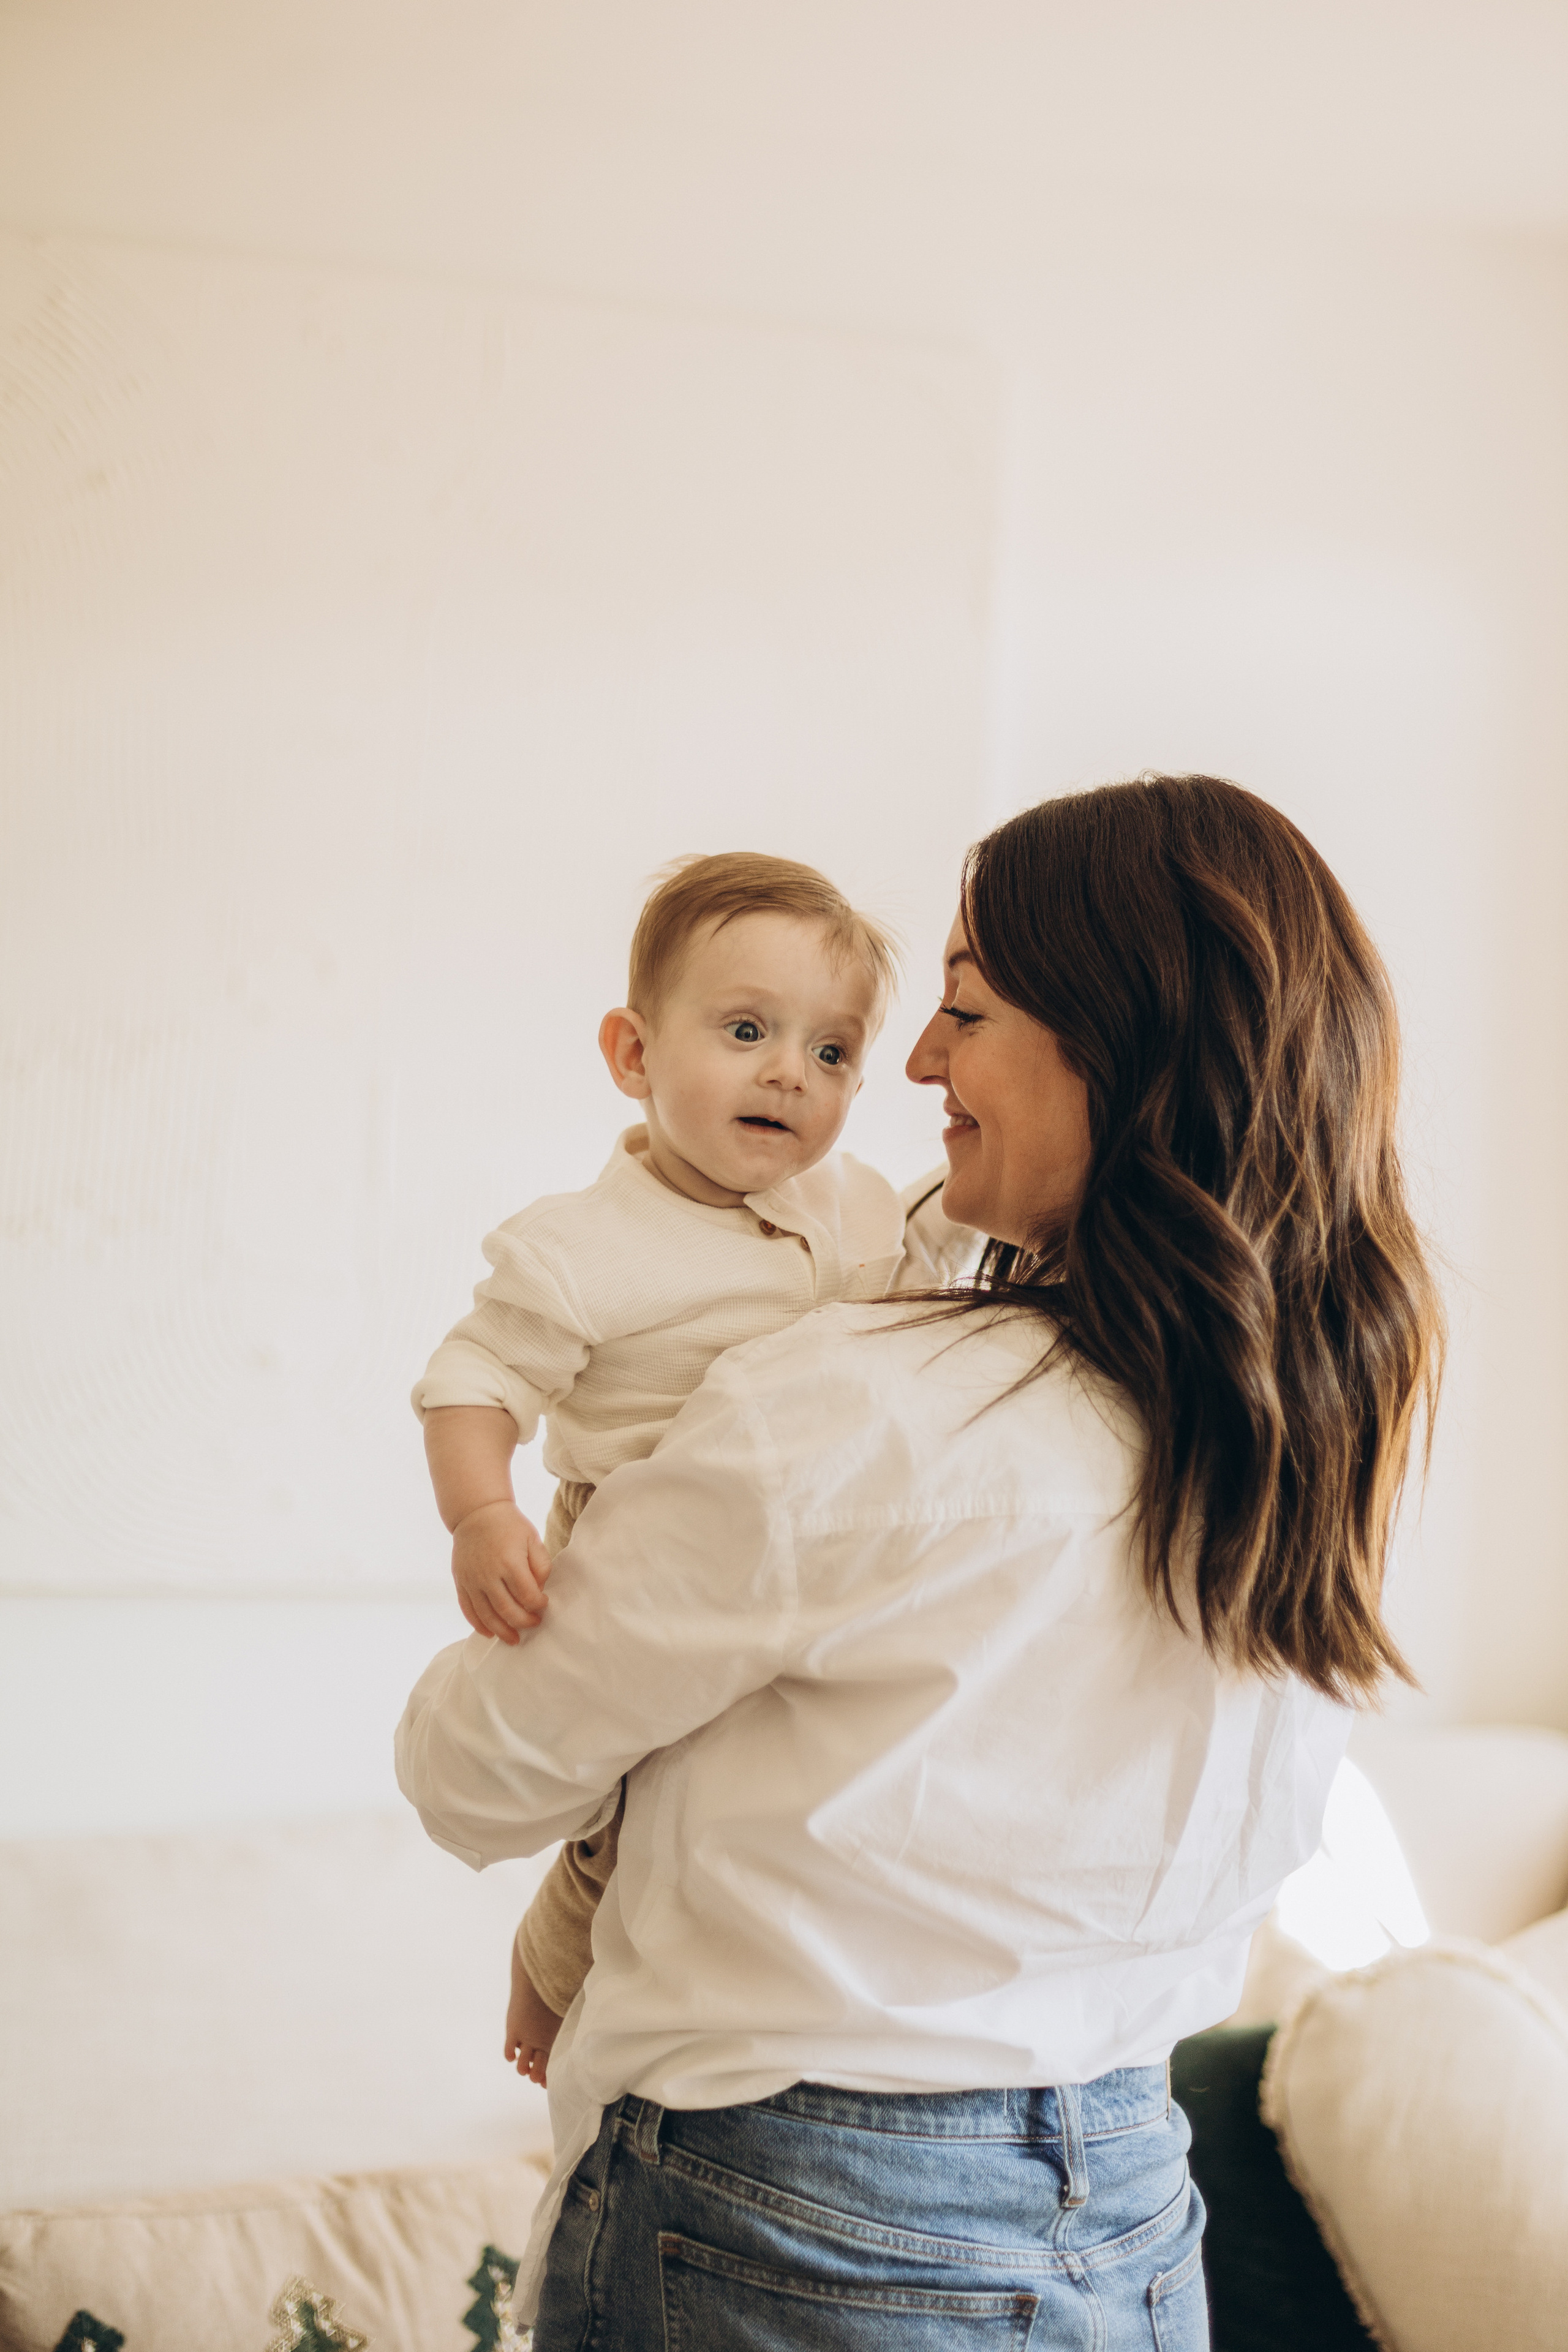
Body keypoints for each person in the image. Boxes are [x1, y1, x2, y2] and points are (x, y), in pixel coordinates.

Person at [396, 775, 1444, 2348]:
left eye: (960, 1011)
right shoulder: (1309, 1425)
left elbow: (471, 1772)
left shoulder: (849, 1408)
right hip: (1134, 2211)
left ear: (1111, 1043)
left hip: (789, 2223)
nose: (911, 1065)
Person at [411, 851, 976, 2089]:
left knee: (746, 1795)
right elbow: (472, 1383)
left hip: (811, 1556)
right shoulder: (579, 1249)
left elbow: (929, 1276)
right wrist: (478, 1515)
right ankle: (552, 1969)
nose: (790, 1072)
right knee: (628, 1807)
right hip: (632, 1532)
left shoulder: (858, 1204)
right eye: (744, 1030)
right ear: (632, 1054)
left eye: (831, 1054)